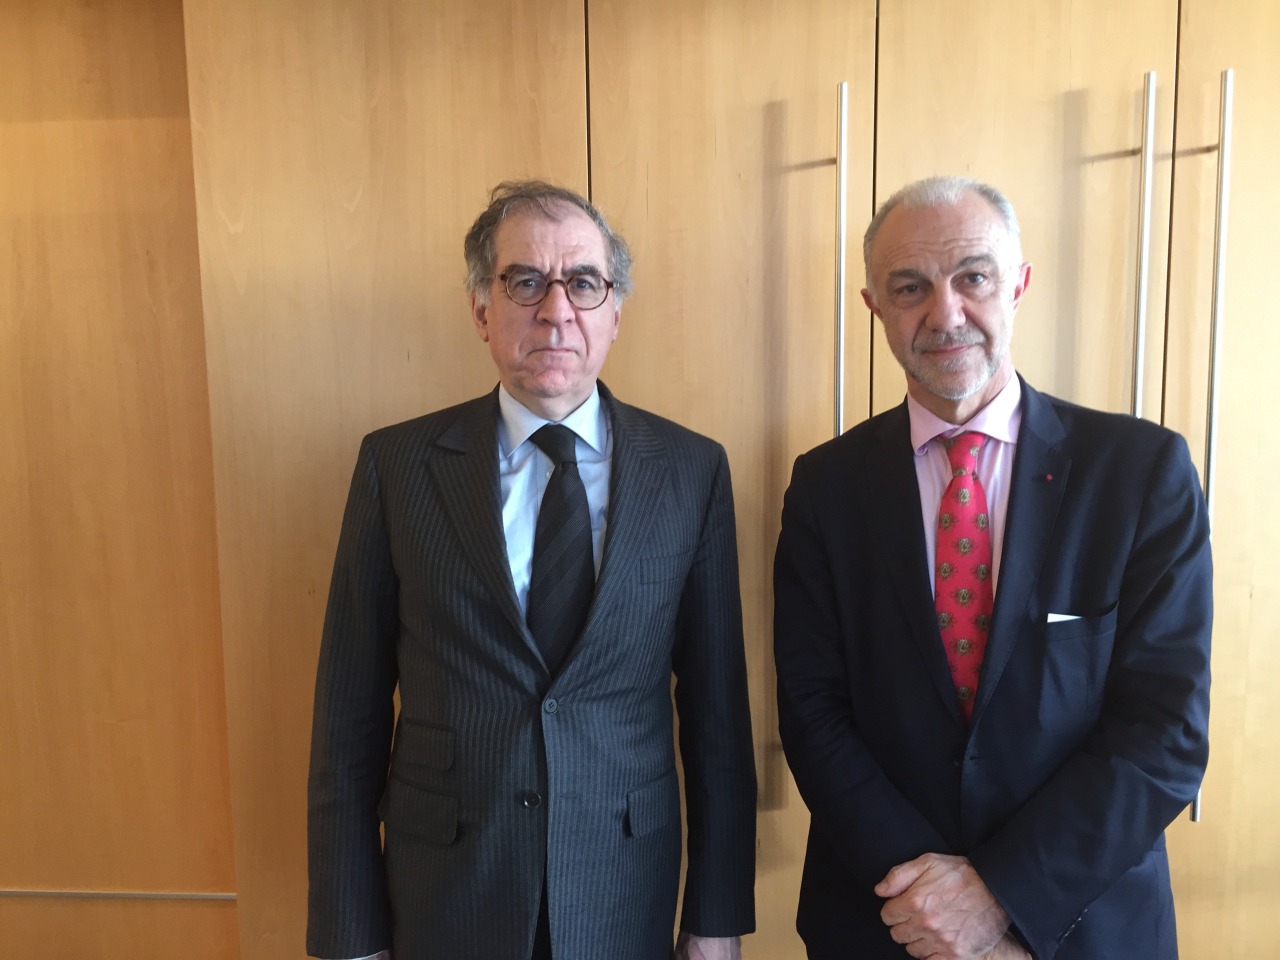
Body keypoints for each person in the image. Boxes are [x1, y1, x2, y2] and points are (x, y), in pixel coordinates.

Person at [307, 181, 756, 960]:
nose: (556, 311)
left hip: (624, 886)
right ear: (483, 310)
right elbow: (347, 718)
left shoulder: (691, 471)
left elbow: (718, 718)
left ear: (615, 313)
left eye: (583, 283)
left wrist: (715, 919)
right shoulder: (398, 466)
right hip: (449, 889)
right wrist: (349, 935)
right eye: (525, 282)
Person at [773, 176, 1211, 960]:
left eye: (973, 276)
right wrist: (932, 906)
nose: (945, 313)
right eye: (910, 286)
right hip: (885, 923)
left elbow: (1165, 729)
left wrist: (1000, 899)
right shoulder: (825, 487)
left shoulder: (1141, 472)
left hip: (1082, 924)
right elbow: (813, 713)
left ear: (1019, 285)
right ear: (875, 307)